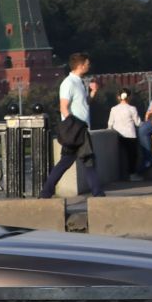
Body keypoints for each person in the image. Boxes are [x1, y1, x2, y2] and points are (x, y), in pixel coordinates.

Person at [39, 52, 103, 199]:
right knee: (83, 161)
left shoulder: (79, 82)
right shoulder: (68, 83)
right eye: (87, 64)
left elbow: (84, 103)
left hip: (80, 128)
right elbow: (63, 107)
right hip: (76, 129)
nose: (89, 66)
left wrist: (93, 92)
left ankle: (46, 192)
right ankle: (97, 193)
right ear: (80, 66)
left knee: (78, 161)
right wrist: (73, 126)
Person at [106, 89, 152, 181]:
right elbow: (138, 123)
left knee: (120, 157)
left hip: (118, 135)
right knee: (132, 156)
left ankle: (121, 176)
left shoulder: (114, 109)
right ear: (129, 97)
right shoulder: (132, 109)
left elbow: (110, 124)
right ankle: (132, 175)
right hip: (130, 135)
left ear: (118, 97)